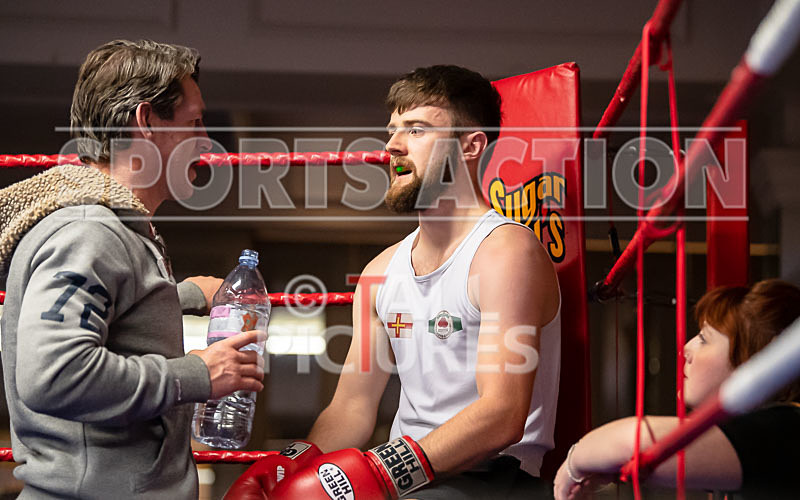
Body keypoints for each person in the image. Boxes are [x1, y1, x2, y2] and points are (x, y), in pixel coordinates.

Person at [228, 65, 561, 499]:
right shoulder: (381, 272)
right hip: (412, 476)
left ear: (471, 145)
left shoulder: (505, 253)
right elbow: (352, 407)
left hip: (493, 477)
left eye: (417, 130)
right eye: (393, 130)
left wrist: (383, 473)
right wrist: (288, 464)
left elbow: (502, 413)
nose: (393, 145)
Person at [0, 40, 265, 499]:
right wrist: (198, 374)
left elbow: (98, 308)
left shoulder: (109, 231)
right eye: (194, 122)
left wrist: (171, 297)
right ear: (146, 122)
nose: (206, 141)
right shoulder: (89, 234)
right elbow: (55, 374)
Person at [554, 279, 800, 500]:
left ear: (765, 358)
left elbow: (634, 441)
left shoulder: (786, 429)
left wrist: (573, 464)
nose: (686, 348)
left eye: (705, 338)